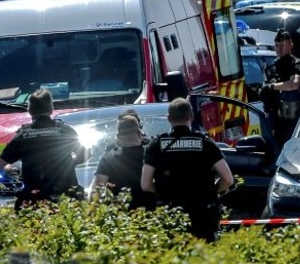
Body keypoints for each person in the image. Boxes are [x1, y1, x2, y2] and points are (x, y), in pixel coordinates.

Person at [141, 98, 233, 242]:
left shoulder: (156, 145)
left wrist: (164, 192)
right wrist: (212, 191)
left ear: (169, 119)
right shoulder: (205, 143)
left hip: (170, 213)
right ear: (191, 116)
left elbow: (145, 184)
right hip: (203, 213)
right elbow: (228, 179)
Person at [0, 89, 88, 210]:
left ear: (29, 110)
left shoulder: (23, 136)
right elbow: (85, 154)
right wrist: (68, 164)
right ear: (51, 109)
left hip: (36, 202)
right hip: (67, 200)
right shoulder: (65, 130)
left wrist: (9, 168)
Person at [92, 113, 155, 210]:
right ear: (139, 133)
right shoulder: (152, 156)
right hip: (153, 218)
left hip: (121, 219)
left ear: (118, 137)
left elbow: (97, 193)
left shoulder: (109, 158)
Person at [261, 29, 300, 147]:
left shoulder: (295, 64)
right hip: (274, 121)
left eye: (282, 45)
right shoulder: (271, 67)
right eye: (277, 46)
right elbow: (264, 89)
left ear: (291, 45)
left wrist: (272, 86)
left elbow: (294, 84)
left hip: (293, 122)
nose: (279, 49)